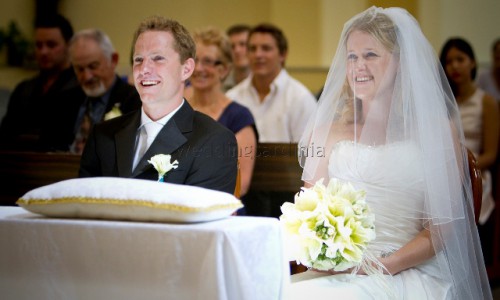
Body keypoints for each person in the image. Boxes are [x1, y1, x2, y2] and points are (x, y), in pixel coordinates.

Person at [288, 6, 491, 299]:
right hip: (338, 270)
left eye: (371, 55)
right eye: (352, 57)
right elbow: (309, 212)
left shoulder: (435, 133)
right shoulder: (327, 132)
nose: (359, 66)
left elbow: (439, 231)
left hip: (408, 270)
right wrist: (329, 256)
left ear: (399, 62)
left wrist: (383, 265)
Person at [79, 16, 238, 195]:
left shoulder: (214, 140)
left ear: (186, 69)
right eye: (138, 59)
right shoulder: (103, 135)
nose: (144, 69)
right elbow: (83, 203)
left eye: (158, 58)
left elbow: (200, 217)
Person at [440, 37, 499, 265]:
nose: (454, 66)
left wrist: (460, 168)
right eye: (449, 61)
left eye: (460, 59)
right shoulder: (443, 102)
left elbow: (491, 154)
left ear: (473, 63)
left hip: (475, 171)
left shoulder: (486, 102)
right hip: (444, 169)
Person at [39, 29, 142, 153]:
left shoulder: (134, 101)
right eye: (80, 69)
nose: (87, 76)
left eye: (93, 67)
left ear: (113, 60)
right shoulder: (62, 102)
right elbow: (45, 149)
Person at [189, 26, 257, 199]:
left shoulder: (239, 117)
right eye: (194, 60)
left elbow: (242, 184)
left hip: (223, 208)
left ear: (224, 69)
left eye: (208, 61)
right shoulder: (176, 107)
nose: (198, 68)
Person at [0, 14, 84, 151]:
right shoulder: (23, 89)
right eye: (39, 45)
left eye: (51, 45)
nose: (43, 52)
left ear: (69, 45)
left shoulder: (81, 88)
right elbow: (5, 135)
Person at [226, 23, 317, 143]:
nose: (258, 55)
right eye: (253, 49)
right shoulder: (233, 97)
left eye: (266, 48)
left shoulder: (300, 99)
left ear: (282, 54)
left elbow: (308, 154)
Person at [223, 24, 252, 91]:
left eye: (243, 44)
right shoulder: (219, 84)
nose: (237, 50)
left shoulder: (265, 82)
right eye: (232, 46)